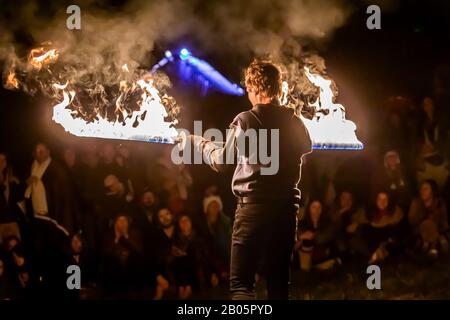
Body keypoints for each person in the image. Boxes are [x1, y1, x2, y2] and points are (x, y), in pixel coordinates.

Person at [181, 59, 312, 299]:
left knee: (242, 285)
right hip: (286, 211)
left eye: (249, 89)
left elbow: (222, 161)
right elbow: (300, 148)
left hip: (254, 209)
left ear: (256, 88)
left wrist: (196, 142)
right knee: (279, 285)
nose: (248, 94)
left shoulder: (246, 119)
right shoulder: (295, 122)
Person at [24, 143, 76, 233]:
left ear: (48, 152)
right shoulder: (32, 167)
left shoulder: (56, 168)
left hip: (52, 214)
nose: (38, 154)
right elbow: (26, 189)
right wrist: (27, 183)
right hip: (35, 214)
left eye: (41, 151)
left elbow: (62, 192)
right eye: (36, 152)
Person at [295, 199, 339, 271]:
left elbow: (327, 237)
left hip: (322, 252)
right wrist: (301, 237)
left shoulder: (327, 223)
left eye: (319, 207)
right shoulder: (302, 224)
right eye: (314, 207)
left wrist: (312, 236)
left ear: (322, 209)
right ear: (309, 209)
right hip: (305, 254)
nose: (316, 210)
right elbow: (295, 244)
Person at [408, 179, 448, 257]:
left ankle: (436, 242)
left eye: (426, 189)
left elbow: (444, 221)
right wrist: (424, 216)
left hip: (437, 230)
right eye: (421, 189)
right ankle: (434, 245)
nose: (423, 191)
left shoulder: (439, 202)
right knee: (427, 223)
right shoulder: (416, 202)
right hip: (420, 230)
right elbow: (412, 220)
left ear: (432, 191)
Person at [365, 192, 404, 264]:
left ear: (389, 200)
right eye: (379, 199)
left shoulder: (395, 213)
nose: (382, 202)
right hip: (374, 246)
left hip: (388, 244)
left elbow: (396, 234)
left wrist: (384, 246)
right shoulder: (371, 214)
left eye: (385, 199)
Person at [0, 152, 23, 245]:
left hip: (12, 220)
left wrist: (17, 184)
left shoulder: (10, 177)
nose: (1, 162)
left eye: (3, 160)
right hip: (0, 222)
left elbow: (18, 197)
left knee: (16, 247)